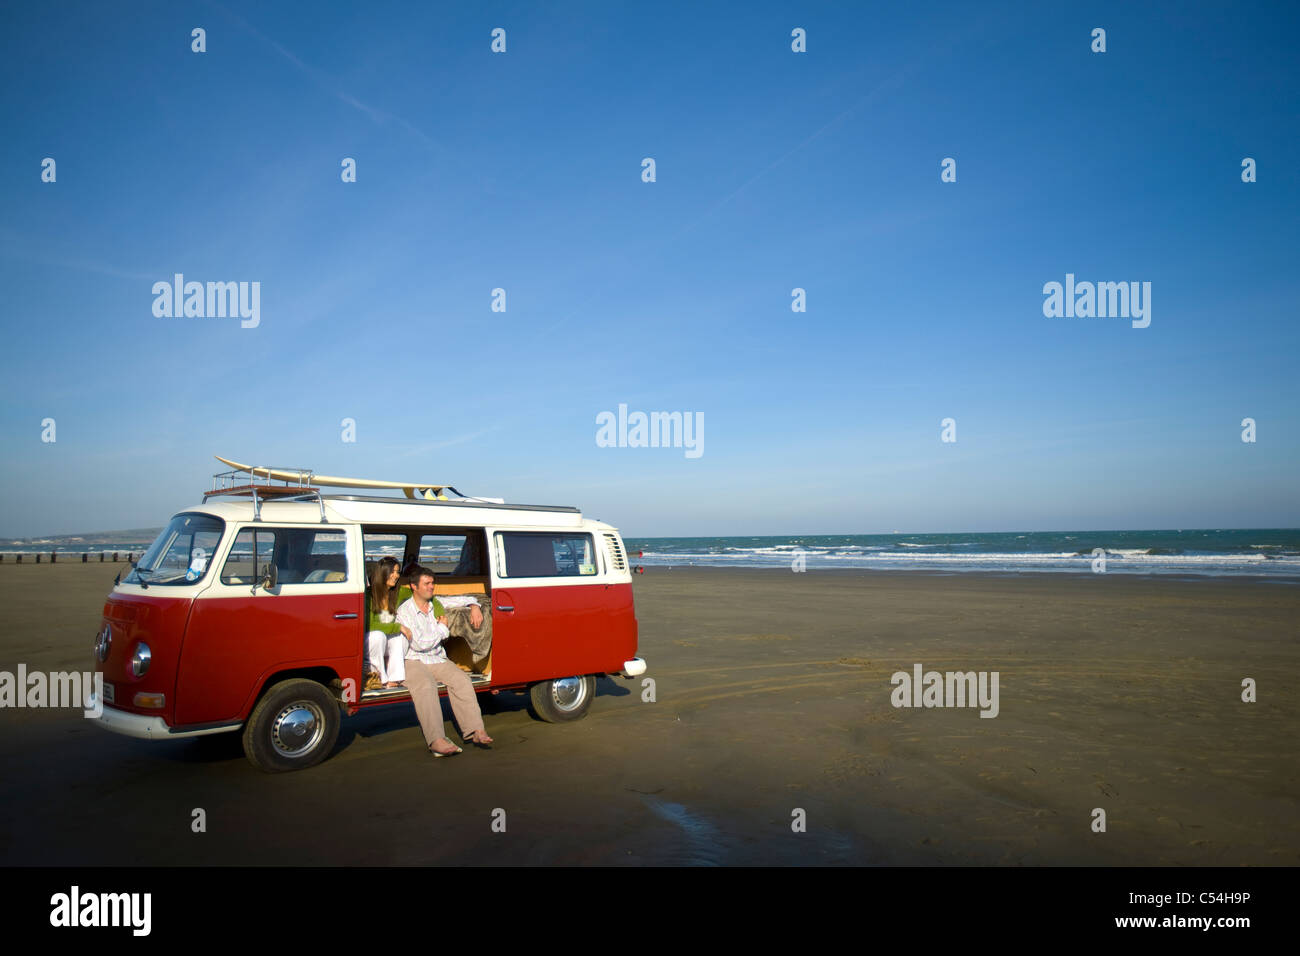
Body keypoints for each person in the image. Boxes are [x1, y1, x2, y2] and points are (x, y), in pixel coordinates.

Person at [396, 565, 494, 756]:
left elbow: (464, 599)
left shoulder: (435, 603)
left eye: (432, 583)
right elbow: (418, 644)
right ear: (414, 587)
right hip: (412, 659)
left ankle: (475, 730)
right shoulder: (404, 611)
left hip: (436, 658)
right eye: (427, 584)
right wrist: (442, 629)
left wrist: (474, 606)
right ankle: (436, 740)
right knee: (426, 685)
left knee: (462, 680)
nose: (431, 587)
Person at [366, 557, 410, 688]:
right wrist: (399, 627)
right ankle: (379, 677)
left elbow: (424, 595)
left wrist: (472, 604)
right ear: (382, 572)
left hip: (385, 643)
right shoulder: (369, 595)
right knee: (378, 635)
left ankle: (395, 678)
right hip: (369, 642)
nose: (396, 576)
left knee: (398, 638)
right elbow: (370, 625)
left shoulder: (398, 592)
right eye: (393, 572)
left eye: (398, 572)